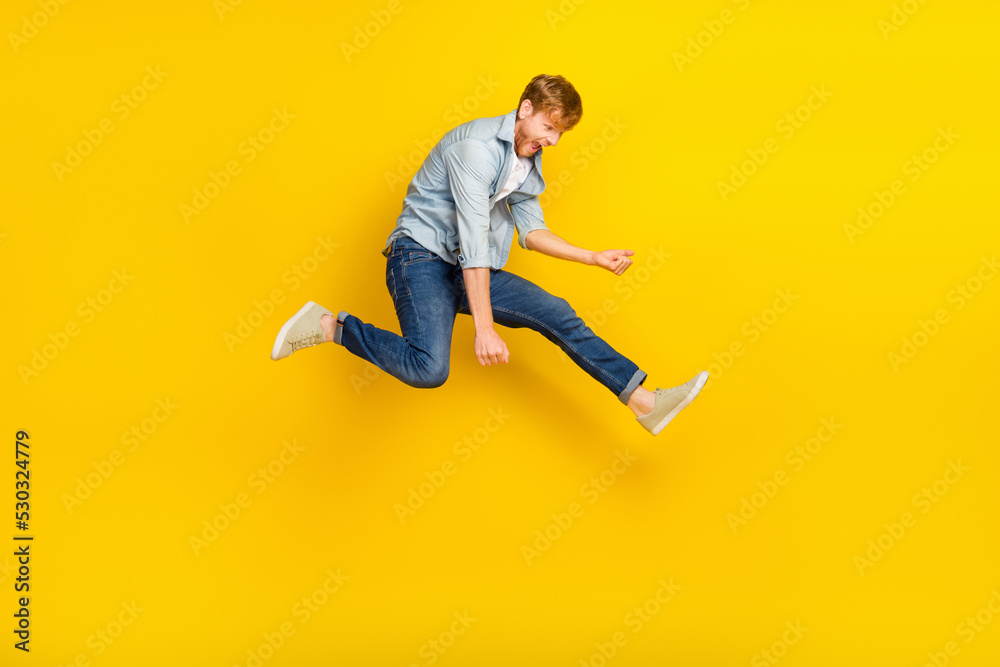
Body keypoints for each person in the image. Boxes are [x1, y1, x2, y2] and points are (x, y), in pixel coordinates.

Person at [271, 74, 707, 435]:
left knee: (556, 312)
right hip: (418, 258)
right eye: (549, 128)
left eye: (560, 133)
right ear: (524, 110)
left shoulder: (526, 159)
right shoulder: (475, 150)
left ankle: (644, 402)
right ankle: (331, 327)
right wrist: (484, 328)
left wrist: (592, 257)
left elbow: (533, 231)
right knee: (429, 370)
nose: (553, 141)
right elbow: (475, 241)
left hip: (463, 266)